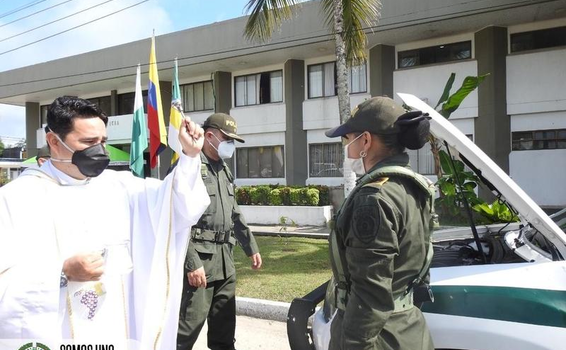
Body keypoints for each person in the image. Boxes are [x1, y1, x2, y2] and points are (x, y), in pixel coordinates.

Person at [0, 96, 210, 350]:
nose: (99, 151)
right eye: (88, 142)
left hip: (116, 330)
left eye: (103, 142)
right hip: (59, 334)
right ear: (54, 141)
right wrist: (63, 272)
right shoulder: (17, 198)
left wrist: (189, 155)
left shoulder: (119, 186)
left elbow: (177, 206)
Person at [323, 96, 436, 350]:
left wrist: (354, 345)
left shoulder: (373, 198)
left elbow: (369, 291)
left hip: (377, 337)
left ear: (365, 140)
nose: (345, 145)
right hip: (408, 329)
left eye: (347, 138)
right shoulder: (413, 187)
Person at [177, 113, 262, 350]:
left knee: (224, 334)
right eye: (228, 139)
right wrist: (191, 263)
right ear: (210, 136)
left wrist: (250, 247)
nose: (231, 145)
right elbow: (176, 220)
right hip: (200, 263)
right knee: (185, 333)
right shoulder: (189, 166)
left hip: (225, 261)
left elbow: (235, 213)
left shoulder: (223, 169)